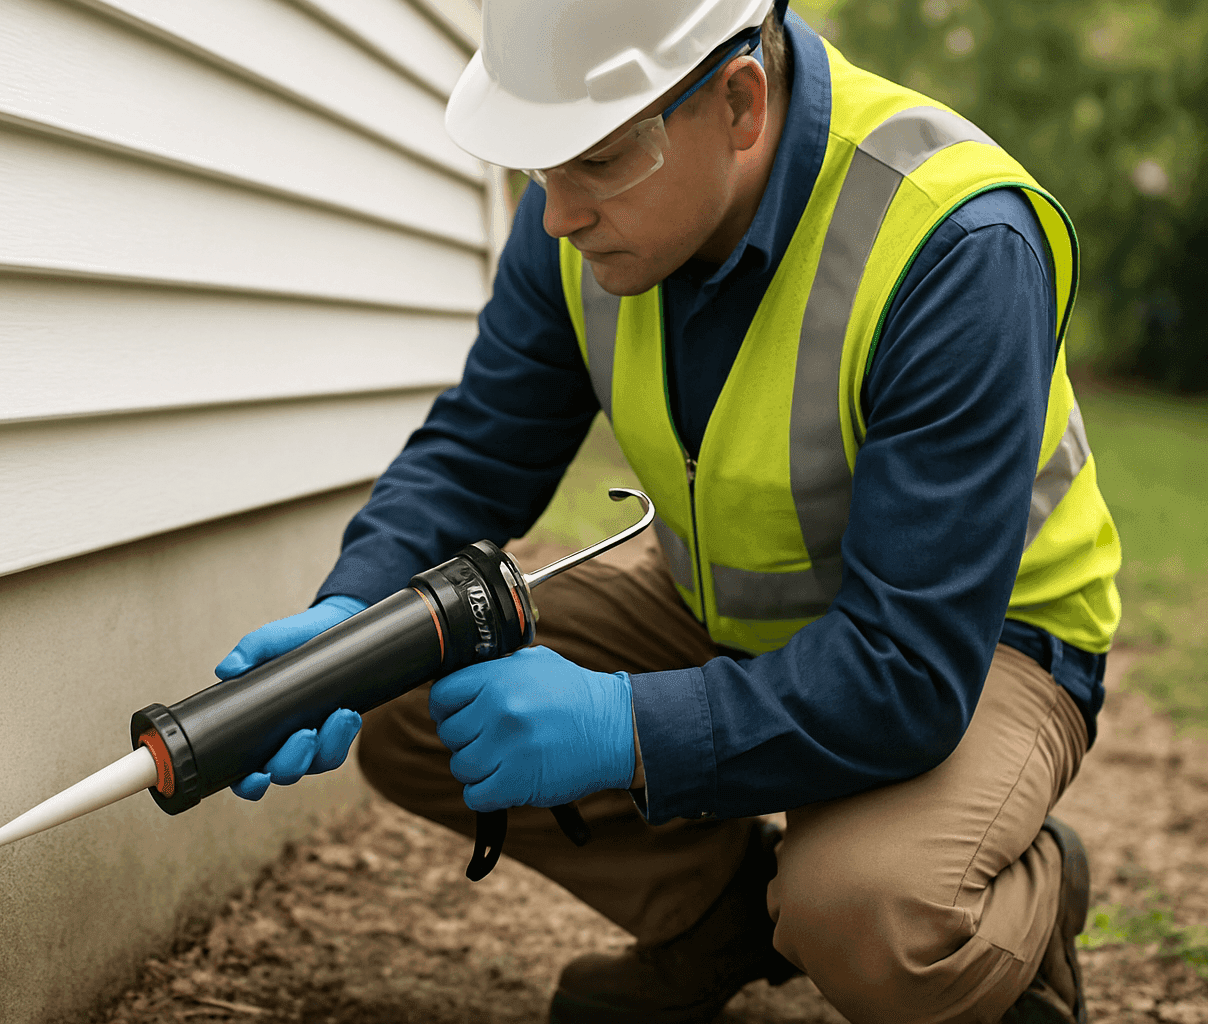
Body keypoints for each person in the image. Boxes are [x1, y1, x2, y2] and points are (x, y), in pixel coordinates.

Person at [212, 1, 1120, 1021]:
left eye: (596, 160)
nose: (556, 212)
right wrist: (349, 620)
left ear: (740, 102)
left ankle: (1017, 910)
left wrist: (623, 726)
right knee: (409, 684)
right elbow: (478, 448)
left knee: (867, 911)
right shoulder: (574, 214)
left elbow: (906, 668)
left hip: (973, 645)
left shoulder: (955, 243)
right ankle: (720, 925)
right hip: (727, 611)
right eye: (542, 164)